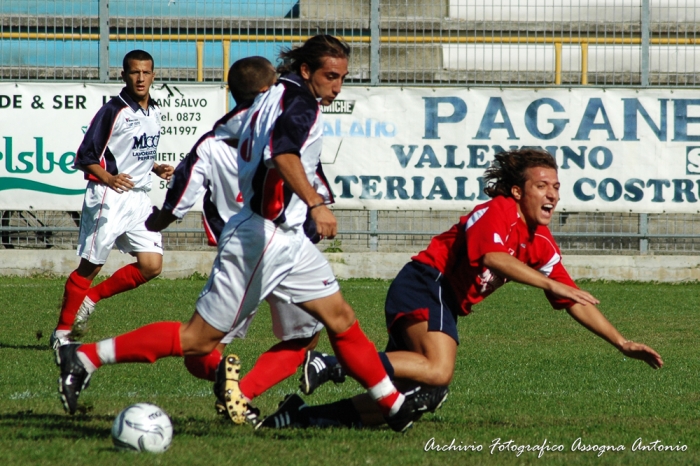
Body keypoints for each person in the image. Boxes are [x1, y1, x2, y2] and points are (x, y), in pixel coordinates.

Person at [56, 35, 419, 433]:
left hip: (289, 239)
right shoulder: (298, 104)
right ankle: (86, 356)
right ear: (304, 71)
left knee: (340, 319)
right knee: (197, 342)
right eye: (331, 76)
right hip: (262, 239)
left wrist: (165, 214)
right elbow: (282, 153)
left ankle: (395, 406)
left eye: (343, 78)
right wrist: (316, 202)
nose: (337, 86)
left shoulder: (269, 99)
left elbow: (210, 144)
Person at [257, 148, 664, 430]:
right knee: (439, 369)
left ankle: (303, 416)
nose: (553, 193)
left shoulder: (541, 241)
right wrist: (546, 280)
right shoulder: (498, 211)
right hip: (424, 283)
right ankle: (334, 363)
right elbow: (492, 259)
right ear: (519, 191)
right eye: (542, 185)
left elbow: (573, 300)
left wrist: (622, 342)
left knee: (419, 395)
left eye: (556, 186)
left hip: (439, 300)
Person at [145, 56, 330, 425]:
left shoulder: (212, 141)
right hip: (286, 245)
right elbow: (314, 183)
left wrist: (157, 220)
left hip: (239, 249)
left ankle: (227, 385)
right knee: (307, 339)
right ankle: (243, 392)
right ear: (269, 89)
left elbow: (180, 198)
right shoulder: (284, 131)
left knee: (201, 346)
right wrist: (317, 210)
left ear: (233, 92)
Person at [50, 50, 174, 349]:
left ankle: (91, 299)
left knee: (151, 265)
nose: (140, 78)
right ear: (124, 75)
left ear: (154, 75)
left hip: (139, 197)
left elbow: (131, 152)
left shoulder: (153, 111)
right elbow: (85, 157)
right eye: (134, 72)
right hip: (109, 196)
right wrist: (109, 178)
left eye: (145, 72)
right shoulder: (113, 111)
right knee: (90, 267)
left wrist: (154, 167)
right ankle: (62, 334)